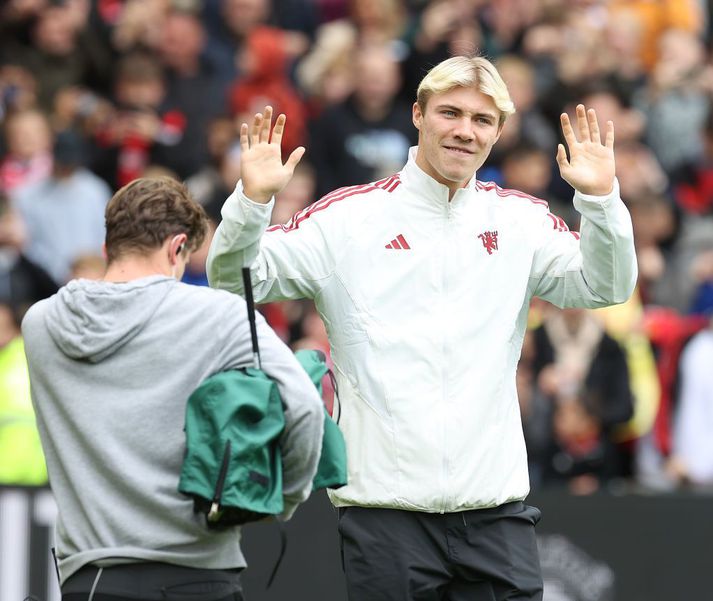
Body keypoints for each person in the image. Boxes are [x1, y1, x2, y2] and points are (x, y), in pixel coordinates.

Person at [207, 55, 638, 600]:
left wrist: (600, 201)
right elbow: (236, 281)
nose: (465, 130)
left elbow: (608, 285)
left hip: (495, 514)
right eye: (450, 113)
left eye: (482, 120)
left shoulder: (520, 219)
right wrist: (251, 203)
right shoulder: (347, 218)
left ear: (499, 131)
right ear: (417, 114)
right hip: (385, 516)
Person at [22, 176, 324, 600]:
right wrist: (285, 498)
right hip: (202, 573)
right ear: (176, 247)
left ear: (110, 245)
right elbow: (307, 410)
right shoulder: (220, 314)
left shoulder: (40, 325)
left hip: (92, 579)